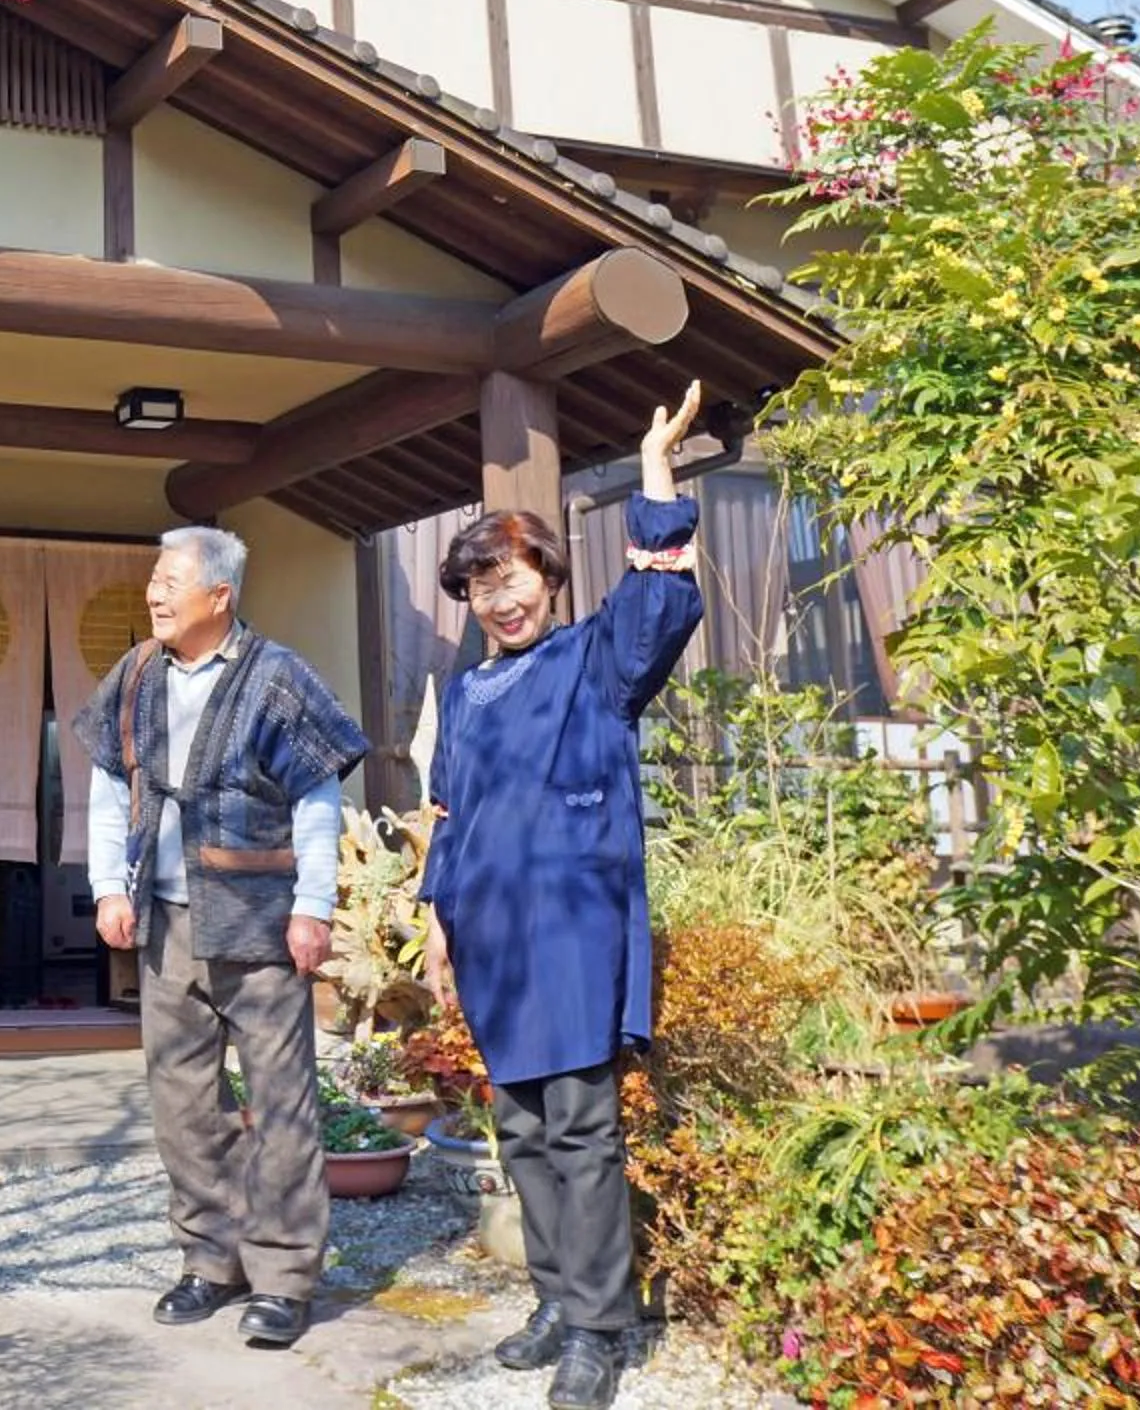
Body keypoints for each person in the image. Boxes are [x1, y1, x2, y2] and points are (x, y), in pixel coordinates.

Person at [418, 383, 705, 1410]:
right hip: (492, 936)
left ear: (548, 575)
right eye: (482, 585)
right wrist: (438, 923)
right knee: (523, 1125)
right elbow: (446, 813)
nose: (502, 599)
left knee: (583, 1127)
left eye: (517, 577)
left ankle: (599, 1325)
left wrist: (656, 476)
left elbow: (662, 600)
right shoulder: (466, 693)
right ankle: (552, 1298)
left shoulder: (596, 662)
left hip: (575, 933)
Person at [78, 526, 372, 1352]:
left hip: (261, 923)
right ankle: (210, 1260)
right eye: (152, 578)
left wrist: (314, 906)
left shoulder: (277, 677)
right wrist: (108, 886)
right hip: (166, 921)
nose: (154, 593)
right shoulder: (136, 675)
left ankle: (282, 1277)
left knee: (281, 1105)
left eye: (171, 581)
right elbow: (108, 786)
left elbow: (318, 801)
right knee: (183, 1105)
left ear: (220, 595)